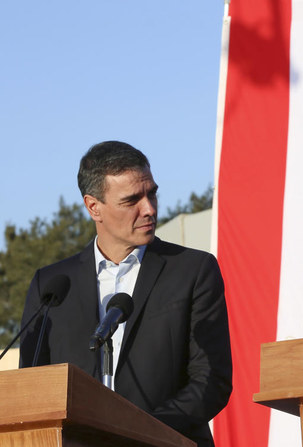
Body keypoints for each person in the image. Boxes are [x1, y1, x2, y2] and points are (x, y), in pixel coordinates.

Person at [19, 141, 232, 447]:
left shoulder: (193, 271)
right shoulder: (51, 285)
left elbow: (211, 379)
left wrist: (138, 431)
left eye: (152, 193)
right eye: (132, 200)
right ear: (94, 207)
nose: (149, 209)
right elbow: (31, 391)